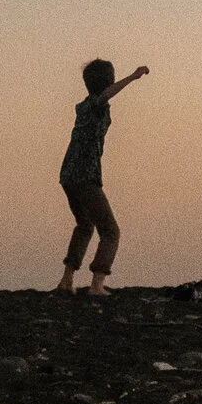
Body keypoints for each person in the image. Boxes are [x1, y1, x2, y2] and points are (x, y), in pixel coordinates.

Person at [51, 58, 147, 295]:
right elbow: (105, 96)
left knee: (84, 225)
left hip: (68, 175)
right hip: (85, 176)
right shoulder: (95, 105)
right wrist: (133, 76)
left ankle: (66, 280)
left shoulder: (82, 106)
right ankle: (97, 283)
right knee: (110, 231)